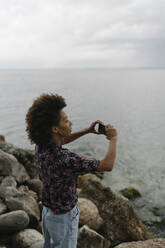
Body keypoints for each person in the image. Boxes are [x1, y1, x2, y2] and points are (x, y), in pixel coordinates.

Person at [25, 93, 117, 248]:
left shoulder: (41, 146)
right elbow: (106, 165)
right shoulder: (65, 159)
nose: (70, 123)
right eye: (66, 121)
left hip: (48, 212)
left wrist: (87, 130)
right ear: (55, 128)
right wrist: (113, 139)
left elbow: (62, 139)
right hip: (64, 218)